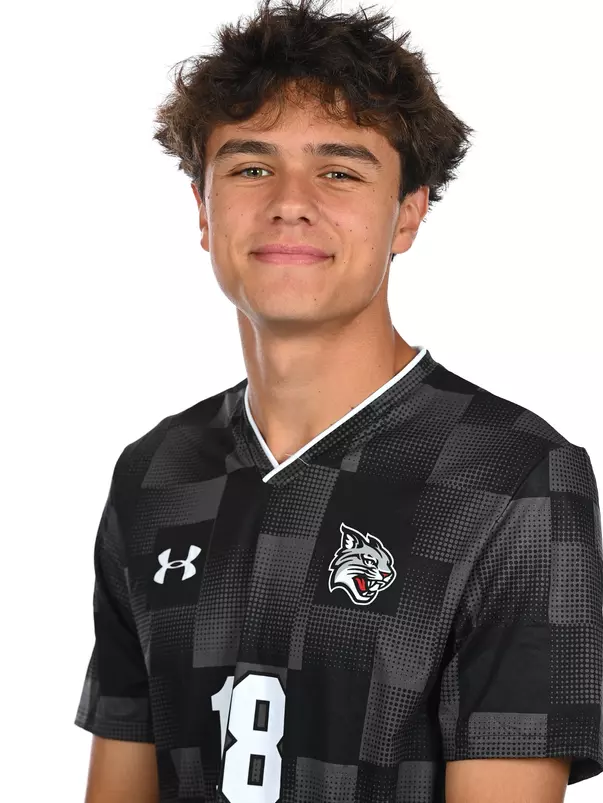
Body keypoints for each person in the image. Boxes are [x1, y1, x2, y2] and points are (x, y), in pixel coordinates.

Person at [74, 1, 603, 801]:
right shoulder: (154, 472)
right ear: (202, 213)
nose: (290, 200)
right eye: (250, 167)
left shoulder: (516, 477)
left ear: (408, 213)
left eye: (339, 170)